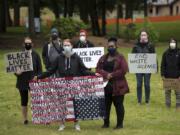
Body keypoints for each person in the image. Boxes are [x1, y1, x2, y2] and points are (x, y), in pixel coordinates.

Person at [35, 39, 95, 131]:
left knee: (75, 104)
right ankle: (62, 124)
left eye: (68, 45)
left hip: (74, 84)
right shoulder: (59, 58)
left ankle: (76, 123)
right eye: (65, 45)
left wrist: (94, 74)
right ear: (63, 47)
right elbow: (50, 70)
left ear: (71, 46)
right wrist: (39, 77)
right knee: (62, 104)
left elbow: (84, 70)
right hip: (61, 84)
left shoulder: (77, 57)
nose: (66, 47)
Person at [96, 37, 129, 129]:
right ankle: (106, 123)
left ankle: (119, 124)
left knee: (118, 105)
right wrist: (106, 74)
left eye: (112, 46)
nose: (110, 48)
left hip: (118, 86)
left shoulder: (120, 57)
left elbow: (123, 70)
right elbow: (98, 69)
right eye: (109, 46)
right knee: (106, 106)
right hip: (105, 86)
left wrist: (112, 75)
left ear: (116, 47)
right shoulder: (103, 58)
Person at [15, 37, 42, 125]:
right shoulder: (19, 55)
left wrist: (37, 76)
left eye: (29, 43)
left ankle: (37, 118)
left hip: (33, 81)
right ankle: (25, 119)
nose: (28, 44)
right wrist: (17, 72)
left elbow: (40, 69)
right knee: (24, 100)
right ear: (23, 44)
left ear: (32, 44)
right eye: (26, 43)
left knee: (35, 100)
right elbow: (15, 69)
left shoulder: (36, 55)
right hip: (22, 81)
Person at [132, 30, 155, 105]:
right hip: (138, 68)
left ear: (147, 36)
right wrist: (132, 67)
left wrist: (155, 67)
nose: (143, 36)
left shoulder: (150, 45)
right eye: (142, 35)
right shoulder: (136, 46)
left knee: (147, 84)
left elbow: (153, 57)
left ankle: (147, 100)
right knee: (139, 84)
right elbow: (132, 57)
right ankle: (139, 100)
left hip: (147, 68)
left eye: (145, 35)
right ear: (140, 36)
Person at [161, 38, 180, 109]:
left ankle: (178, 105)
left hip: (177, 76)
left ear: (176, 43)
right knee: (167, 92)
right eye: (171, 42)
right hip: (167, 76)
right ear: (169, 43)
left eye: (174, 42)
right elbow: (163, 65)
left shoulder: (179, 52)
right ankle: (167, 105)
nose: (172, 44)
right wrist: (162, 75)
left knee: (178, 92)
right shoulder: (165, 53)